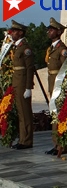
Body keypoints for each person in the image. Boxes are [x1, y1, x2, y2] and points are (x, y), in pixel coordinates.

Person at [44, 17, 67, 156]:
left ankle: (62, 145)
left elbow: (65, 69)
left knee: (59, 115)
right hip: (52, 84)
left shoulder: (62, 50)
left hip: (58, 85)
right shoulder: (52, 49)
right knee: (54, 114)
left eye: (52, 30)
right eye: (49, 29)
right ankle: (56, 144)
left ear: (59, 32)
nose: (49, 31)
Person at [9, 20, 35, 150]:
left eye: (14, 31)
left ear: (20, 33)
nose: (12, 33)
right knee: (21, 112)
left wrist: (28, 87)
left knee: (25, 113)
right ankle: (22, 138)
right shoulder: (16, 47)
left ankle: (27, 140)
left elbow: (30, 68)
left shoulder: (25, 48)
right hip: (17, 82)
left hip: (23, 84)